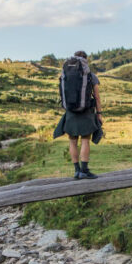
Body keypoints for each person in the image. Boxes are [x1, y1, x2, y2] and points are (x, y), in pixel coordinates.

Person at [53, 50, 103, 179]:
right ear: (85, 61)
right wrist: (99, 113)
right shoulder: (91, 76)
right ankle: (85, 170)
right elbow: (97, 97)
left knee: (72, 142)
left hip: (70, 112)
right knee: (85, 140)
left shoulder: (65, 74)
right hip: (86, 111)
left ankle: (77, 171)